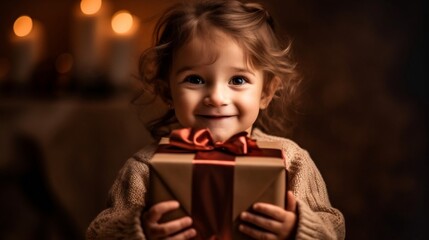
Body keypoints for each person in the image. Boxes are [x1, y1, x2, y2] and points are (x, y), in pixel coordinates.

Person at [86, 0, 346, 239]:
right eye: (195, 80)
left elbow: (333, 228)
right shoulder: (143, 168)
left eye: (238, 80)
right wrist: (138, 228)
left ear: (266, 92)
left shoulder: (292, 160)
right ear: (167, 92)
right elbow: (98, 232)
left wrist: (297, 229)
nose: (217, 97)